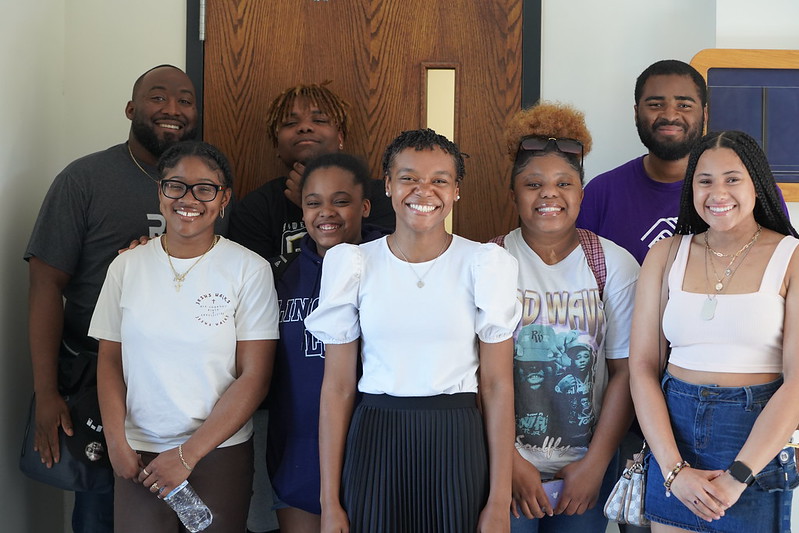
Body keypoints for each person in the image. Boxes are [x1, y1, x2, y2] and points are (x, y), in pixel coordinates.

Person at [305, 129, 522, 532]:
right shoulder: (353, 264)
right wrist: (329, 502)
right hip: (375, 438)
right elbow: (336, 388)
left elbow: (496, 386)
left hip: (456, 440)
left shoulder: (485, 264)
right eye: (408, 178)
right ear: (388, 185)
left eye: (440, 179)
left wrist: (498, 500)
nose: (424, 190)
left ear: (456, 190)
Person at [24, 64, 204, 533]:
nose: (172, 109)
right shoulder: (85, 179)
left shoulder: (209, 188)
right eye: (158, 97)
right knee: (101, 513)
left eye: (185, 100)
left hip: (188, 390)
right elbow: (46, 286)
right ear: (131, 109)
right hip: (98, 378)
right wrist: (46, 391)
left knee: (183, 515)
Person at [90, 140, 279, 532]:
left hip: (218, 451)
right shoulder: (126, 267)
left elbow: (254, 377)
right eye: (175, 185)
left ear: (224, 198)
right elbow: (109, 360)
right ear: (160, 191)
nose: (188, 199)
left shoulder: (249, 270)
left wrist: (188, 455)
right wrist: (116, 442)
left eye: (205, 188)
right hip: (137, 453)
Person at [629, 130, 799, 532]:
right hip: (672, 434)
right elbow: (642, 367)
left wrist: (738, 475)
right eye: (704, 181)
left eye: (732, 178)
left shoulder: (791, 257)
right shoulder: (666, 253)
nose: (717, 192)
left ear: (757, 183)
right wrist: (674, 470)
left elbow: (797, 382)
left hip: (755, 441)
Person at [493, 102, 639, 533]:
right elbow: (481, 378)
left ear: (581, 192)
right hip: (507, 462)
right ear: (513, 192)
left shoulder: (612, 264)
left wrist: (595, 465)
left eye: (564, 183)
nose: (548, 194)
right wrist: (510, 461)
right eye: (532, 183)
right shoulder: (490, 262)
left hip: (586, 466)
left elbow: (625, 373)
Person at [266, 152, 389, 533]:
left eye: (341, 201)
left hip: (375, 452)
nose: (326, 213)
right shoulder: (282, 277)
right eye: (313, 202)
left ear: (365, 206)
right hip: (297, 450)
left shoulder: (391, 267)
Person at [229, 82, 394, 259]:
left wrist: (317, 203)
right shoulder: (256, 207)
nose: (304, 127)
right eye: (291, 123)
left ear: (340, 137)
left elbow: (383, 264)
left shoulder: (380, 196)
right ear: (276, 145)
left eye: (319, 120)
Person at [578, 59, 708, 264]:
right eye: (656, 105)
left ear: (705, 114)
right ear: (636, 113)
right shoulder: (600, 193)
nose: (670, 115)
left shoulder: (740, 192)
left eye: (684, 105)